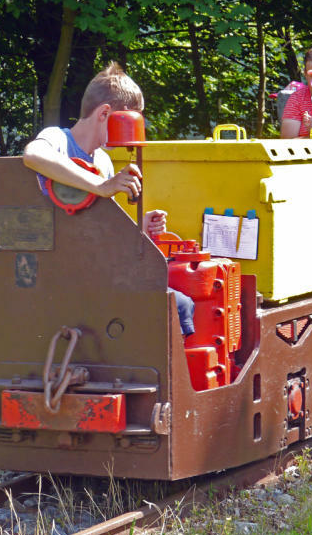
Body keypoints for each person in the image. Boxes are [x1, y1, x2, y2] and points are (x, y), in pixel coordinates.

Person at [23, 62, 195, 336]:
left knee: (181, 302)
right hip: (61, 268)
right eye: (128, 124)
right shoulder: (57, 139)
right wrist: (101, 185)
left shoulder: (103, 161)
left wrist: (139, 225)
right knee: (177, 305)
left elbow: (104, 226)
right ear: (105, 113)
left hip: (97, 267)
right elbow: (33, 155)